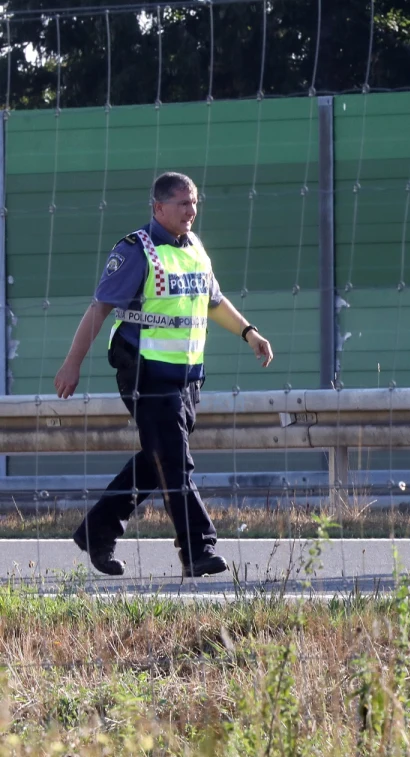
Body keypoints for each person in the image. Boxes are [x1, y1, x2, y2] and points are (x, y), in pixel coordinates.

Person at [54, 171, 274, 578]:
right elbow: (98, 309)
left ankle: (96, 531)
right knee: (175, 462)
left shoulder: (194, 248)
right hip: (144, 370)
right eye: (182, 203)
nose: (191, 211)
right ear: (158, 207)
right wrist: (72, 363)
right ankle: (197, 549)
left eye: (194, 203)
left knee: (159, 460)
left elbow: (214, 301)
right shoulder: (136, 250)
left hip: (188, 376)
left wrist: (249, 332)